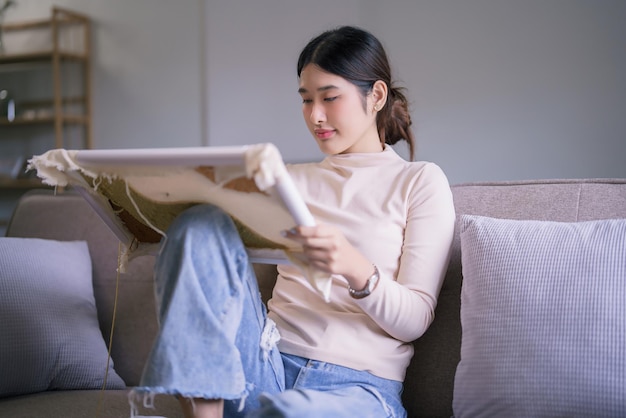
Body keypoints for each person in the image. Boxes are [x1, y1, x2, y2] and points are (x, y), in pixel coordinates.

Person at [132, 25, 456, 418]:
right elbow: (208, 272)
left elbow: (414, 320)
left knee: (291, 412)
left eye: (329, 98)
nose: (315, 116)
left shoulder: (418, 181)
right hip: (263, 370)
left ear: (377, 96)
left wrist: (355, 268)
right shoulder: (286, 181)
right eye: (306, 100)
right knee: (200, 224)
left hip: (356, 390)